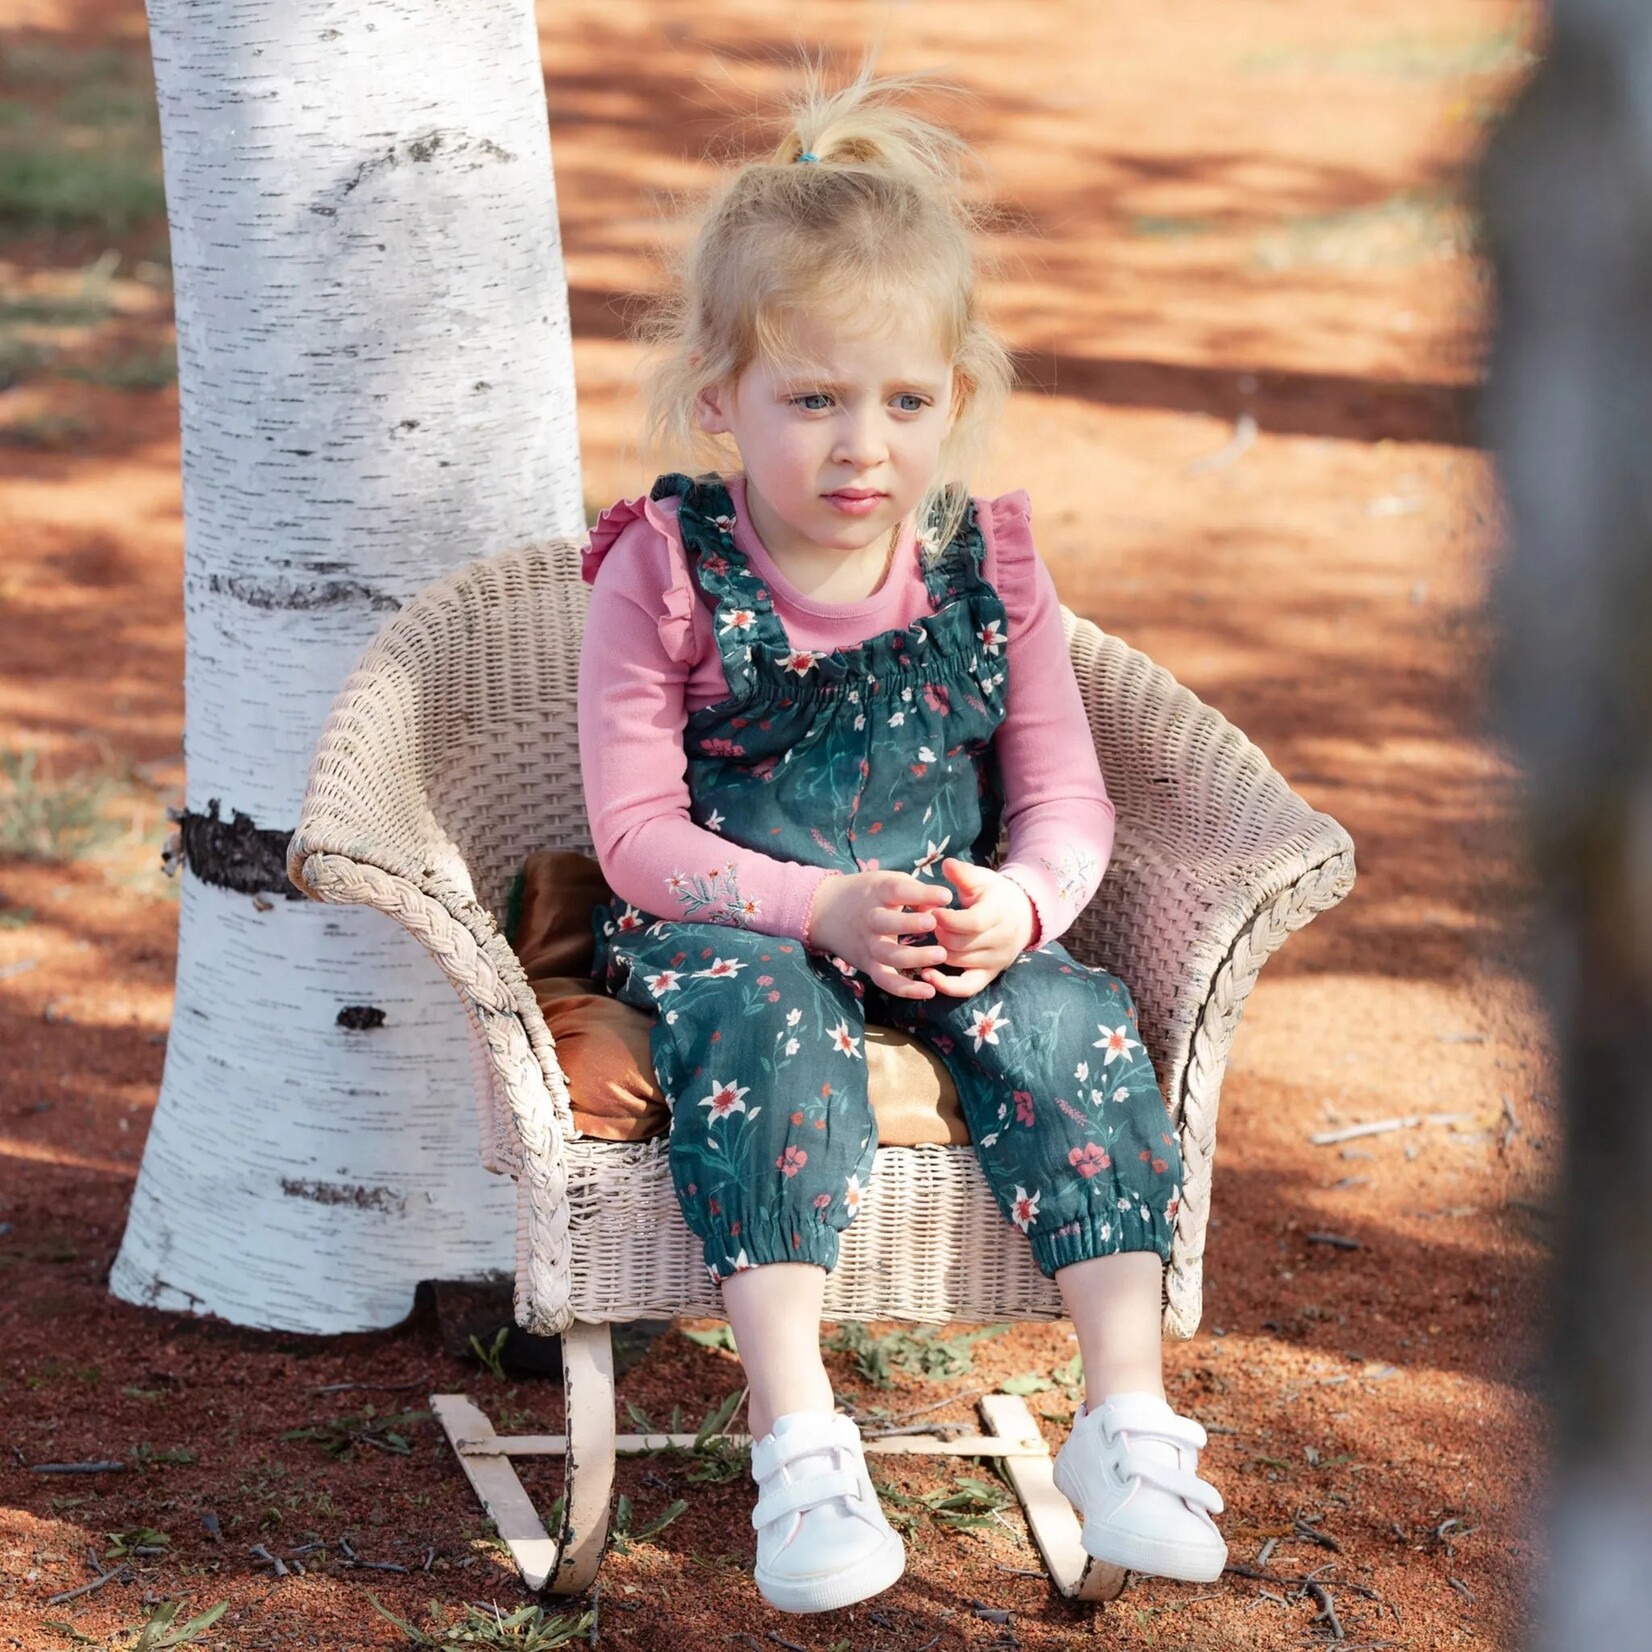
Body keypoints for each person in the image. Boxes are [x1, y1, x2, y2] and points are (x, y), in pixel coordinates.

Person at [576, 59, 1225, 1615]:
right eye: (812, 399)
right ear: (719, 400)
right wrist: (812, 911)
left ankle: (1125, 1424)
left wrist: (1026, 902)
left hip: (944, 919)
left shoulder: (986, 570)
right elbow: (632, 833)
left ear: (957, 396)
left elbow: (1066, 792)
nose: (862, 446)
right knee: (768, 1033)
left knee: (1074, 1016)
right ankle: (799, 1443)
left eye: (905, 401)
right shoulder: (665, 570)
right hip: (737, 924)